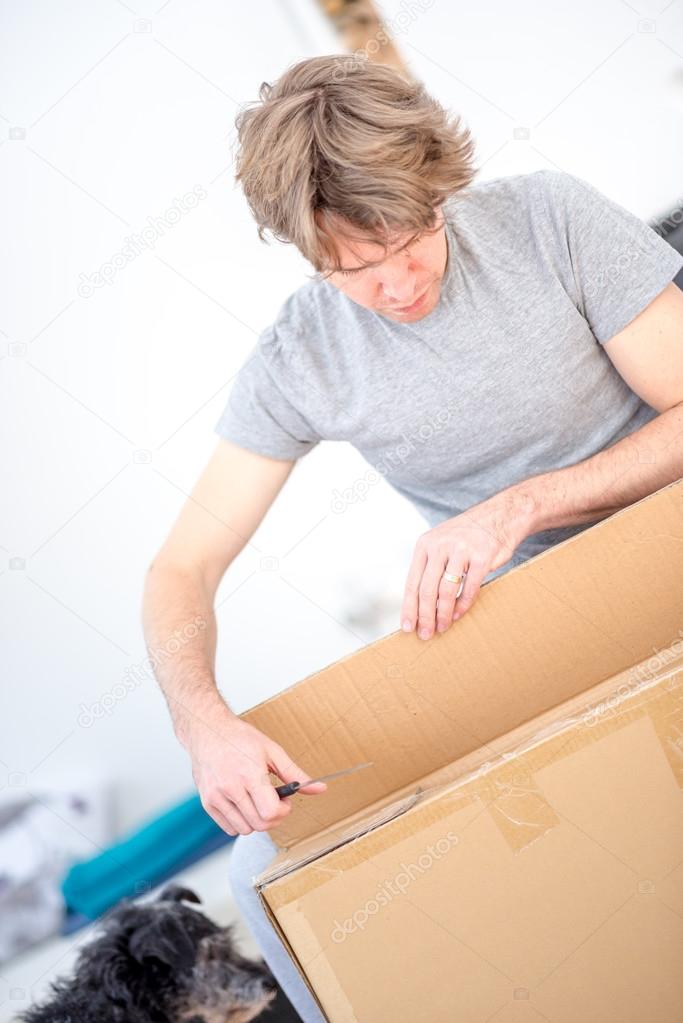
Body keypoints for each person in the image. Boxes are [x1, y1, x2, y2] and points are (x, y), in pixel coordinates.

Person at [142, 55, 683, 1022]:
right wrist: (204, 725)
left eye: (409, 240)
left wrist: (521, 504)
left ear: (440, 186)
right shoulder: (301, 355)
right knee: (259, 863)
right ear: (306, 253)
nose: (393, 284)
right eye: (350, 267)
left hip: (665, 541)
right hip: (541, 626)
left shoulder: (546, 219)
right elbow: (183, 567)